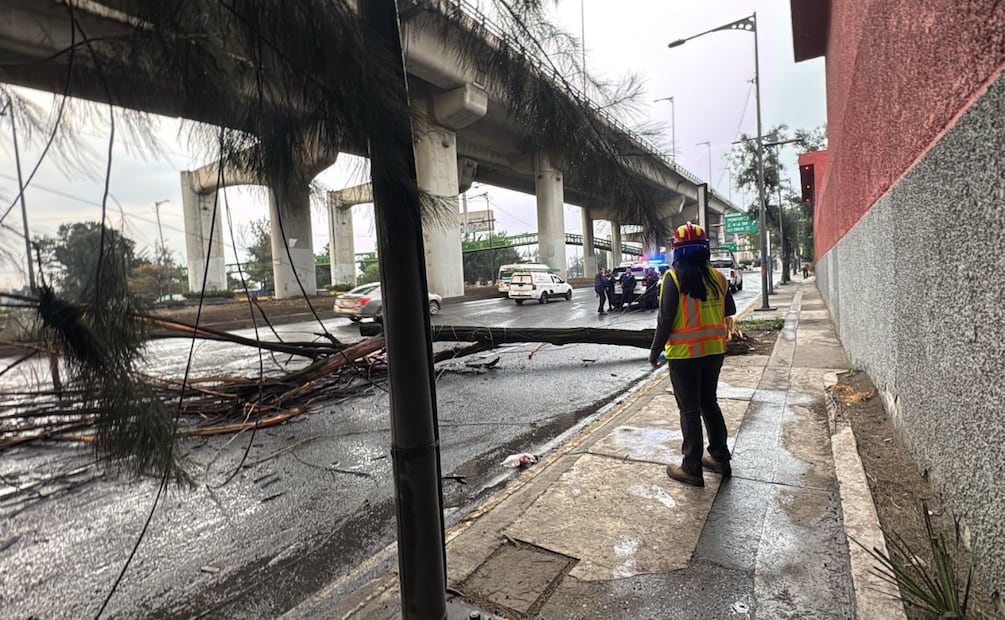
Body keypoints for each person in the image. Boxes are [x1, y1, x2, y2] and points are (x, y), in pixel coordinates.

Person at [649, 222, 736, 487]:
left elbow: (665, 320)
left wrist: (655, 351)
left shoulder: (672, 278)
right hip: (714, 351)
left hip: (684, 355)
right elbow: (728, 310)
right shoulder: (719, 278)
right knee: (709, 404)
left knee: (689, 411)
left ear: (677, 251)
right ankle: (720, 458)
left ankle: (691, 468)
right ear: (705, 250)